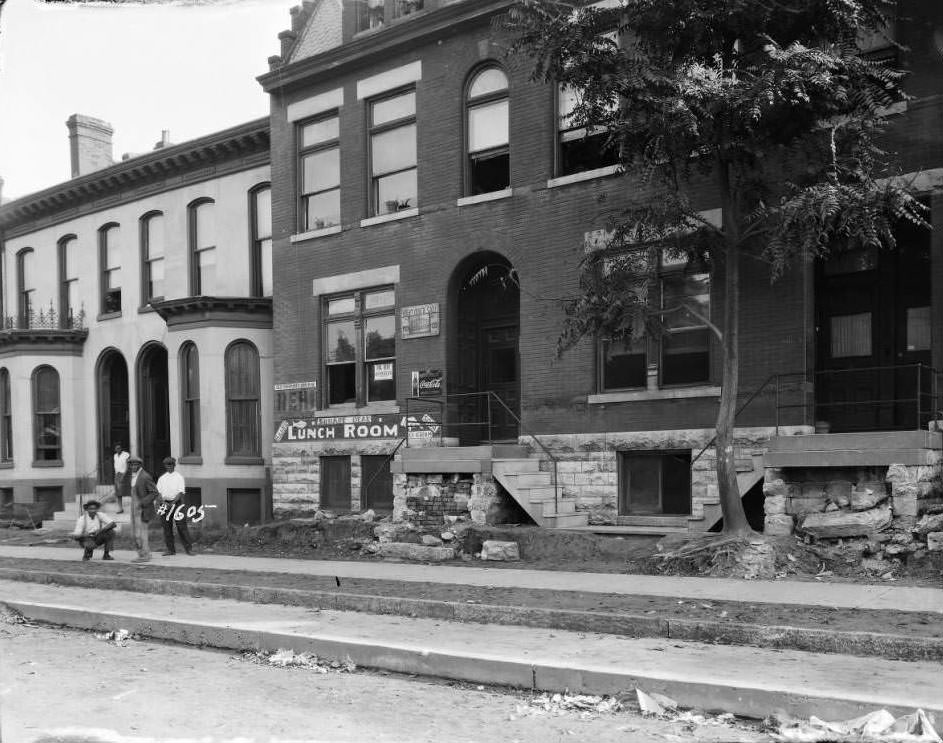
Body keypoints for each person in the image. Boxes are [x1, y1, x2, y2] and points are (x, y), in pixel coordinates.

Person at [155, 456, 193, 556]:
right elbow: (158, 493)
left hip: (176, 504)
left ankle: (189, 549)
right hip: (164, 504)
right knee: (166, 528)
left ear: (174, 465)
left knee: (181, 527)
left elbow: (180, 492)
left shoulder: (179, 477)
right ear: (165, 466)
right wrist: (164, 503)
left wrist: (172, 503)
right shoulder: (162, 478)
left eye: (171, 464)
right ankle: (170, 550)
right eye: (167, 465)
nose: (169, 467)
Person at [128, 455, 159, 563]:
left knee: (141, 534)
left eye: (135, 464)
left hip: (142, 509)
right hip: (134, 509)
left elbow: (154, 492)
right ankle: (143, 553)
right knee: (134, 533)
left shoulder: (145, 476)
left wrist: (142, 503)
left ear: (140, 465)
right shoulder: (133, 476)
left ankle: (144, 555)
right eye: (131, 464)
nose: (133, 466)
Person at [110, 443, 130, 514]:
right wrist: (116, 475)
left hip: (124, 474)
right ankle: (120, 508)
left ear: (121, 448)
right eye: (116, 448)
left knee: (127, 491)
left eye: (119, 448)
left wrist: (124, 475)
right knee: (118, 493)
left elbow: (128, 465)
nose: (118, 449)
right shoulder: (115, 456)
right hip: (117, 474)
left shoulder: (126, 454)